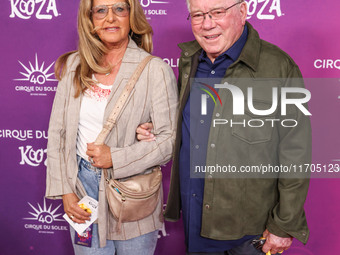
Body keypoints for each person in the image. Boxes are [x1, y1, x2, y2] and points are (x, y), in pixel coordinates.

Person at [137, 0, 311, 254]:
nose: (207, 24)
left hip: (251, 231)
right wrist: (158, 128)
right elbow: (191, 123)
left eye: (218, 12)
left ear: (242, 12)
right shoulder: (190, 60)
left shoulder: (279, 66)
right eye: (198, 15)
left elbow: (296, 152)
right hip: (196, 219)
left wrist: (284, 225)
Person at [45, 0, 178, 254]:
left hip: (133, 193)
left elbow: (169, 140)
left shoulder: (155, 70)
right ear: (91, 20)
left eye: (119, 9)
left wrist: (114, 157)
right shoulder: (75, 66)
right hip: (82, 190)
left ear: (131, 16)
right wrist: (65, 191)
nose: (110, 18)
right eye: (101, 11)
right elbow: (58, 135)